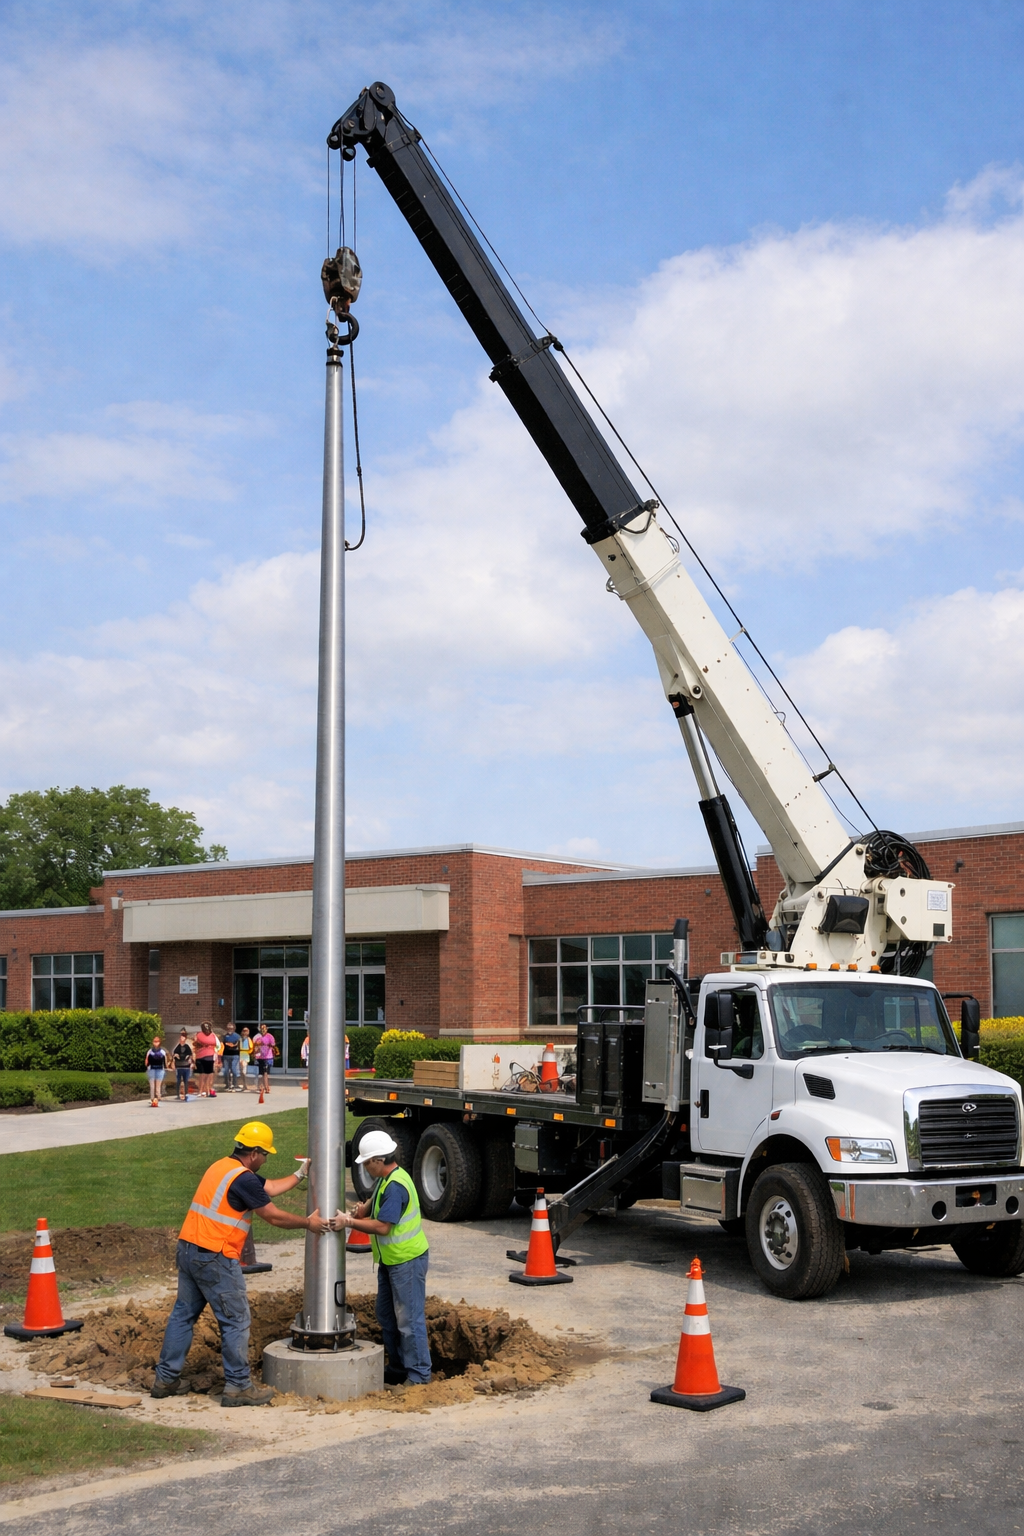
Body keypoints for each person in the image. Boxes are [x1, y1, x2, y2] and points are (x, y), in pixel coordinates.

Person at [152, 1121, 327, 1406]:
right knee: (236, 1320)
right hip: (215, 1256)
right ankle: (238, 1386)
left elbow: (269, 1188)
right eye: (265, 1154)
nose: (266, 1159)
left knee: (182, 1315)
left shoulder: (222, 1167)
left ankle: (166, 1379)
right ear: (254, 1153)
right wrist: (309, 1223)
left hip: (188, 1249)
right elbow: (273, 1216)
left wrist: (300, 1174)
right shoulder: (243, 1179)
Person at [333, 1130, 431, 1386]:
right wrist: (362, 1210)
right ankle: (399, 1368)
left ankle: (419, 1375)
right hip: (392, 1261)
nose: (365, 1167)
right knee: (387, 1315)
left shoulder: (395, 1186)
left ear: (379, 1160)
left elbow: (383, 1227)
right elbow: (374, 1206)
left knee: (409, 1320)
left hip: (406, 1261)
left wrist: (349, 1222)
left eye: (367, 1162)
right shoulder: (386, 1180)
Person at [193, 1023, 218, 1098]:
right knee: (202, 1075)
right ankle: (200, 1091)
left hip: (209, 1056)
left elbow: (215, 1043)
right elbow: (196, 1042)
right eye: (205, 1028)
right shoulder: (198, 1035)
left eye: (208, 1027)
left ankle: (207, 1090)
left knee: (208, 1075)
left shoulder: (213, 1035)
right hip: (200, 1056)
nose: (207, 1029)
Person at [145, 1037, 168, 1106]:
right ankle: (152, 1098)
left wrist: (166, 1067)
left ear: (159, 1042)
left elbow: (165, 1061)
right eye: (155, 1041)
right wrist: (147, 1065)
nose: (156, 1043)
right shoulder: (150, 1051)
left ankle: (158, 1097)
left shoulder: (162, 1052)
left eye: (157, 1041)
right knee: (152, 1085)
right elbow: (146, 1060)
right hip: (151, 1069)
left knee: (158, 1085)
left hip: (160, 1069)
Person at [172, 1031, 194, 1101]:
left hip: (186, 1066)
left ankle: (186, 1094)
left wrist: (189, 1059)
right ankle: (177, 1094)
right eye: (181, 1038)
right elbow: (174, 1054)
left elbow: (190, 1055)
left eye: (183, 1038)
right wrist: (175, 1057)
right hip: (179, 1066)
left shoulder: (187, 1047)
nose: (181, 1039)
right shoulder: (177, 1047)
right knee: (178, 1081)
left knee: (185, 1081)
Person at [221, 1024, 242, 1091]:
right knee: (226, 1071)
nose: (229, 1030)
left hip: (235, 1055)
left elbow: (239, 1045)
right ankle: (227, 1085)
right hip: (226, 1055)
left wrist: (233, 1045)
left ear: (234, 1029)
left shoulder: (237, 1036)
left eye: (231, 1028)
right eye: (228, 1028)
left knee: (233, 1069)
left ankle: (235, 1084)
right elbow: (222, 1045)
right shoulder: (224, 1036)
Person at [254, 1028, 275, 1095]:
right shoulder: (257, 1037)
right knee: (261, 1073)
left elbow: (273, 1044)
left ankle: (266, 1087)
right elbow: (255, 1046)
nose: (263, 1030)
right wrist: (256, 1051)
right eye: (262, 1029)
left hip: (268, 1057)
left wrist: (267, 1044)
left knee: (265, 1072)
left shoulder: (270, 1036)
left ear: (266, 1029)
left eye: (264, 1029)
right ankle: (261, 1087)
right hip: (260, 1057)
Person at [238, 1027, 253, 1091]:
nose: (244, 1033)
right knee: (241, 1071)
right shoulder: (240, 1039)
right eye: (244, 1031)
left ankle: (245, 1084)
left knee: (244, 1071)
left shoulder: (249, 1039)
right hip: (240, 1055)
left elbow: (251, 1048)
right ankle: (243, 1084)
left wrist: (248, 1053)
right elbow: (238, 1047)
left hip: (245, 1055)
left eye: (246, 1031)